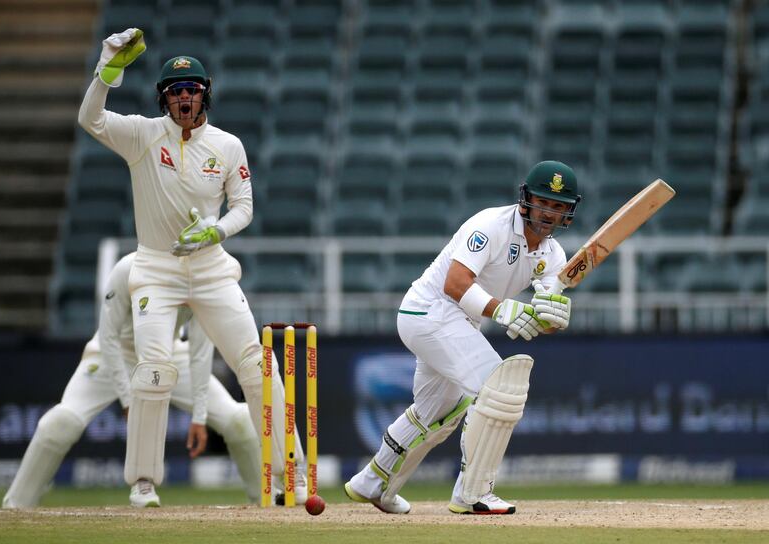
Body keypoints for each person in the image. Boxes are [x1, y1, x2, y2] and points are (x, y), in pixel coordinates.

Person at [77, 29, 307, 505]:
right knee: (155, 370)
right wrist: (109, 68)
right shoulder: (142, 134)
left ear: (206, 95)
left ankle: (294, 474)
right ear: (164, 99)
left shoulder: (227, 145)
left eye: (193, 90)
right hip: (156, 269)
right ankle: (143, 481)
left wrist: (215, 231)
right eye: (176, 91)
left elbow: (243, 206)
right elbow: (90, 117)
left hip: (211, 267)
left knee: (256, 364)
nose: (184, 98)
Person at [344, 160, 581, 514]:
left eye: (558, 206)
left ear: (567, 213)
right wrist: (503, 311)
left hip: (459, 323)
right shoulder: (490, 225)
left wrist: (552, 316)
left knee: (438, 411)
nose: (549, 212)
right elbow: (455, 284)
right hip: (429, 312)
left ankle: (373, 482)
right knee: (501, 386)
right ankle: (473, 494)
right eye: (543, 201)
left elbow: (542, 314)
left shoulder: (553, 254)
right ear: (526, 199)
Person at [2, 253, 261, 508]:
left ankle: (265, 498)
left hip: (170, 355)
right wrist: (128, 399)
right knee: (60, 423)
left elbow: (200, 352)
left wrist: (200, 416)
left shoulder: (205, 276)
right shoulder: (128, 268)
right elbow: (108, 336)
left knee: (238, 420)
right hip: (110, 356)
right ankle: (16, 506)